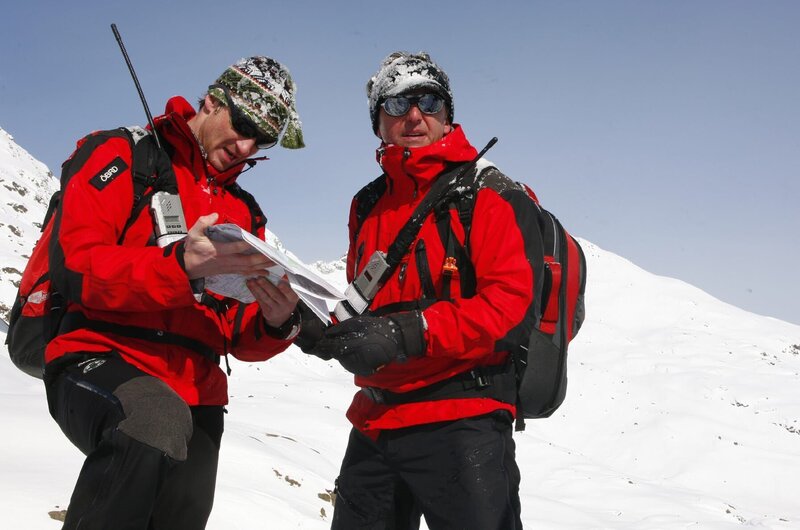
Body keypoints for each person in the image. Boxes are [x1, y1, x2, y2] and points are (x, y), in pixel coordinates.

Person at [44, 56, 305, 530]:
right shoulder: (124, 153)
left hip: (197, 390)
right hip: (103, 354)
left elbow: (233, 331)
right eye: (242, 123)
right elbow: (75, 266)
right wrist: (179, 265)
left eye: (261, 139)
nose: (246, 146)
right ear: (211, 100)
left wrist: (274, 321)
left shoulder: (245, 214)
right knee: (152, 424)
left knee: (180, 511)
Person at [301, 51, 540, 529]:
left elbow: (513, 307)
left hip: (463, 419)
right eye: (396, 103)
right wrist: (320, 328)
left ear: (447, 115)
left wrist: (405, 332)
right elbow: (363, 299)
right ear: (378, 122)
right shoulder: (367, 203)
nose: (414, 115)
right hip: (376, 421)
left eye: (429, 101)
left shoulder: (487, 192)